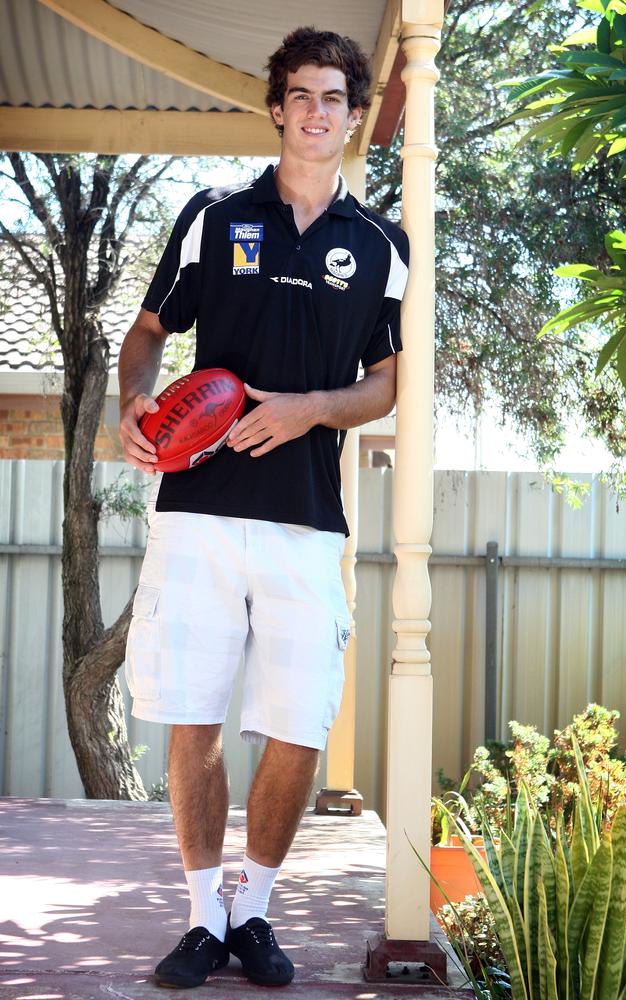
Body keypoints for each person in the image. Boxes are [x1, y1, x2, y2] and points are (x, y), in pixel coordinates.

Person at [118, 26, 409, 991]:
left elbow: (387, 383)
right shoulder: (212, 216)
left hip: (303, 522)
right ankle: (205, 920)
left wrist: (310, 411)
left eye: (334, 97)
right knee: (191, 722)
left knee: (298, 728)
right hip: (197, 511)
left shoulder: (382, 248)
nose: (316, 111)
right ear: (277, 107)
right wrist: (133, 401)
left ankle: (256, 913)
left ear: (352, 116)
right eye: (300, 95)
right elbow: (152, 327)